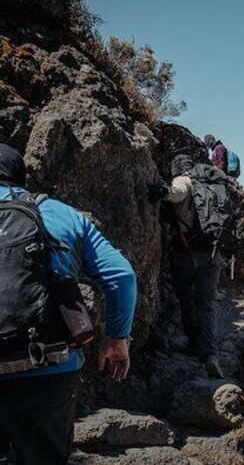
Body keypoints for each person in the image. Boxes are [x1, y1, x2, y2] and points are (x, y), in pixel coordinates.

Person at [0, 144, 137, 465]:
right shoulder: (56, 212)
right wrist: (117, 339)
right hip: (46, 368)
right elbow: (122, 276)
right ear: (20, 178)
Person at [147, 155, 225, 379]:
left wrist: (162, 192)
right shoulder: (211, 184)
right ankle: (210, 354)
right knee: (207, 304)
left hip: (187, 253)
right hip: (212, 252)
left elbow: (178, 192)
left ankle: (194, 344)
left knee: (186, 299)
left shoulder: (184, 181)